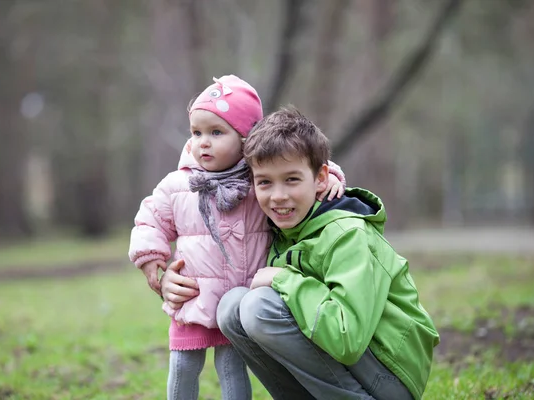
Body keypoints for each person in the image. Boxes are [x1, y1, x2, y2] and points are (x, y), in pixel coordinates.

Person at [161, 106, 440, 400]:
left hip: (389, 376)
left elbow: (347, 339)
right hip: (352, 370)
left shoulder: (347, 234)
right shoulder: (279, 226)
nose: (278, 196)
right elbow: (213, 251)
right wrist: (167, 279)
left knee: (259, 306)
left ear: (321, 178)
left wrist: (283, 278)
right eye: (265, 182)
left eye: (292, 179)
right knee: (232, 307)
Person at [128, 76, 347, 400]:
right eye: (197, 132)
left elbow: (305, 164)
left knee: (232, 367)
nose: (203, 142)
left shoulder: (259, 179)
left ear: (245, 138)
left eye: (217, 132)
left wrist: (335, 177)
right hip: (194, 296)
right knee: (183, 366)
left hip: (237, 298)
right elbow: (150, 220)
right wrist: (153, 265)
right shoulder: (178, 185)